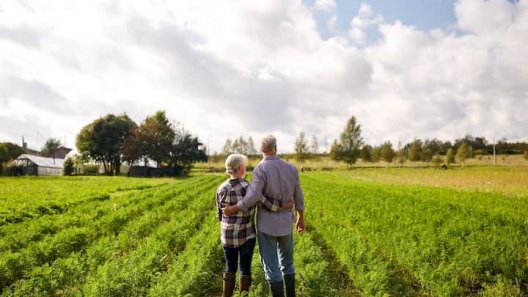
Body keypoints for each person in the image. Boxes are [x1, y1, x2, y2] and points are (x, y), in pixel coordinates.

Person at [224, 135, 305, 297]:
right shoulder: (291, 168)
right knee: (287, 263)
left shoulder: (260, 169)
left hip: (266, 225)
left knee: (271, 267)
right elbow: (299, 195)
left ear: (261, 151)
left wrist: (234, 209)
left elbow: (253, 196)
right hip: (286, 224)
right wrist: (300, 217)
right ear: (275, 148)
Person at [216, 153, 292, 297]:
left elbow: (219, 215)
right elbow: (268, 203)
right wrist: (285, 205)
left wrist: (229, 224)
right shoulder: (249, 188)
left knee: (230, 267)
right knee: (244, 268)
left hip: (227, 236)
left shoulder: (221, 188)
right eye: (244, 165)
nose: (245, 167)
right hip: (246, 235)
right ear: (240, 168)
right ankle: (243, 295)